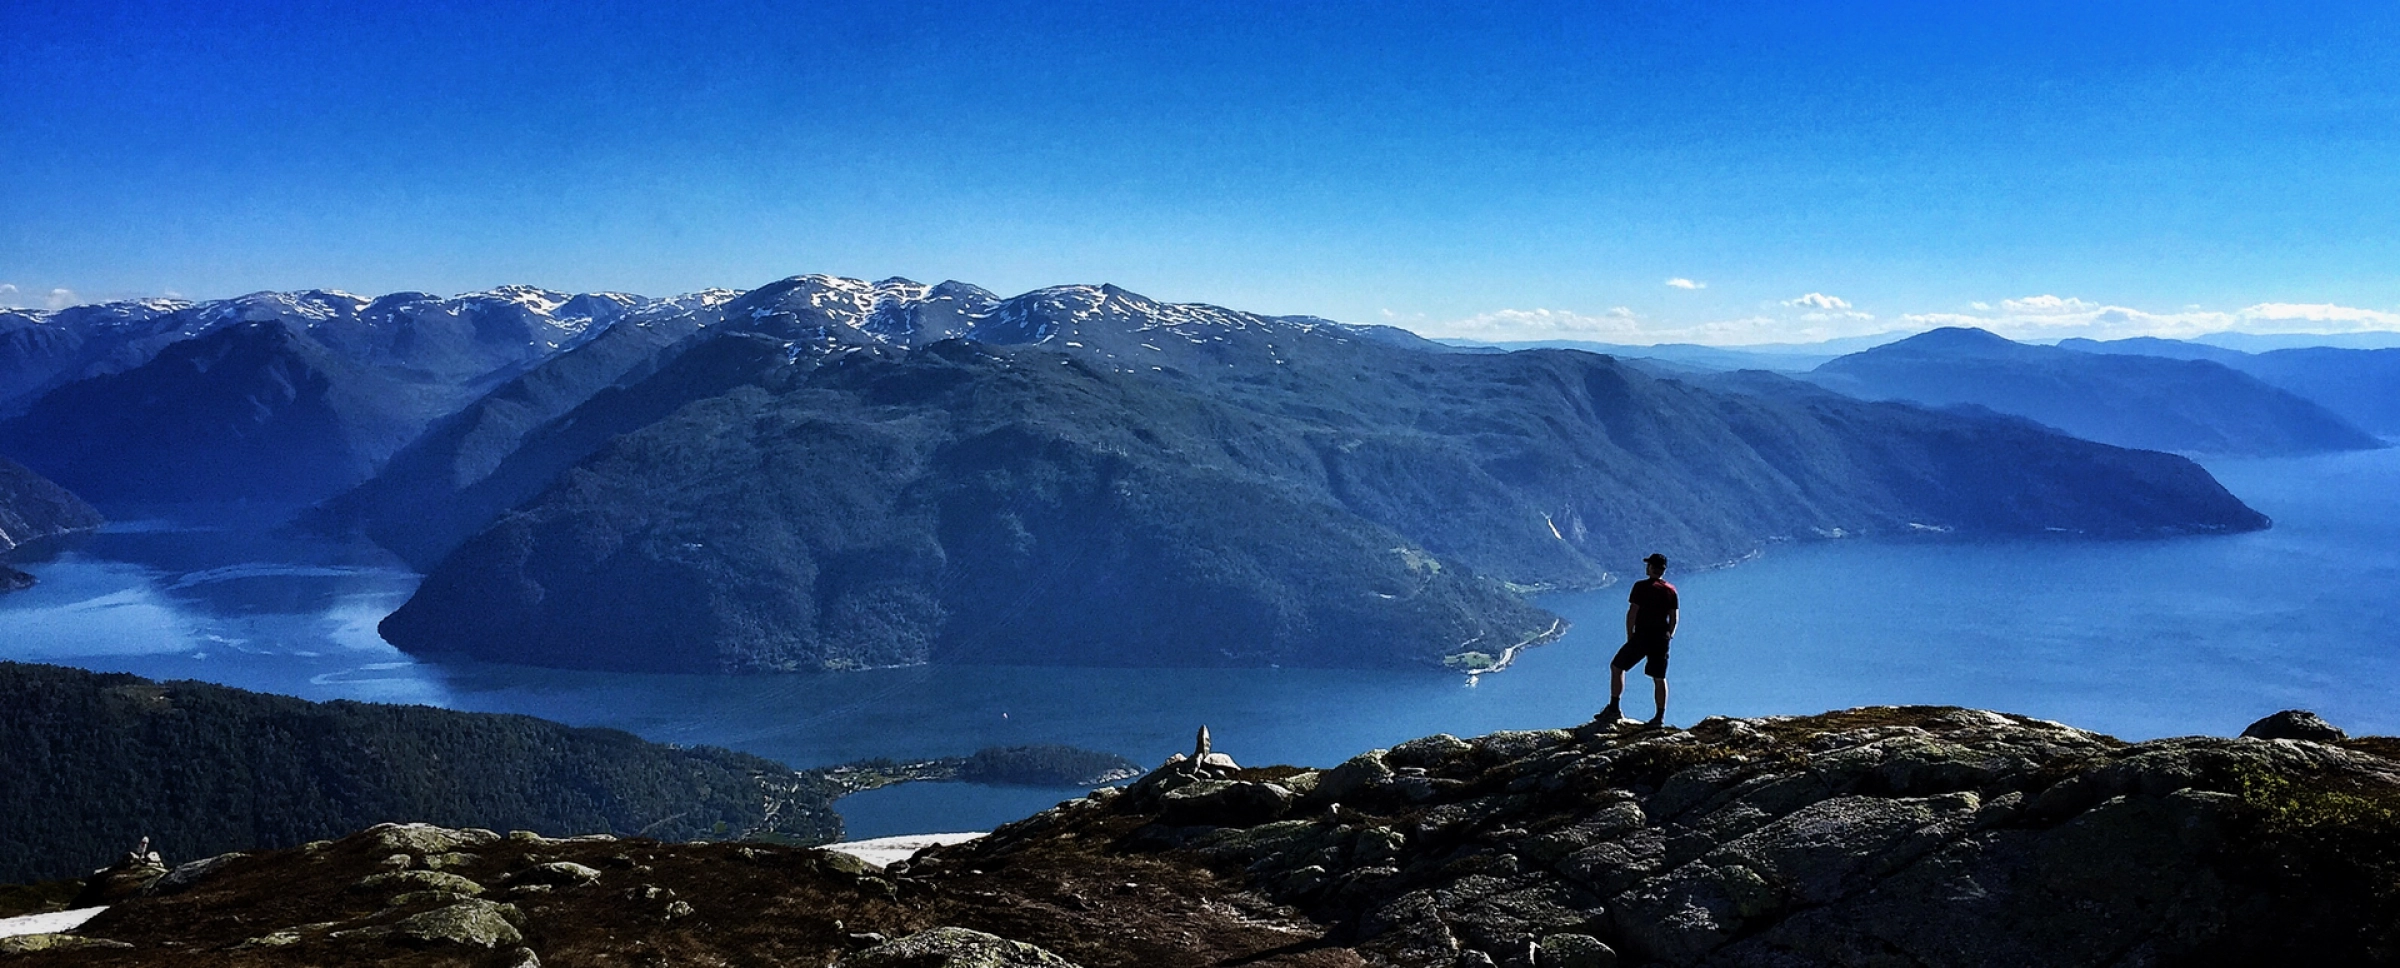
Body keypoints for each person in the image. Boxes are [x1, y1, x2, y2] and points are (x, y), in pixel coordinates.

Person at [1598, 553, 1678, 728]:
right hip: (1661, 638)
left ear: (1650, 568)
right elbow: (1674, 617)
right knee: (1659, 677)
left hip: (1642, 636)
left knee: (1617, 666)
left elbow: (1632, 612)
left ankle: (1614, 708)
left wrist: (1630, 635)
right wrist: (1669, 635)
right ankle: (1659, 717)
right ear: (1663, 570)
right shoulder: (1671, 590)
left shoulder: (1641, 587)